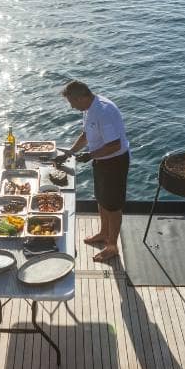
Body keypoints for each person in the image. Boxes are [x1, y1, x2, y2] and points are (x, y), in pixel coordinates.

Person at [62, 80, 130, 262]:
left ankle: (112, 246)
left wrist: (90, 155)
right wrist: (70, 152)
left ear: (82, 97)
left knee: (113, 206)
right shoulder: (88, 109)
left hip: (114, 162)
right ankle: (103, 233)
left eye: (72, 102)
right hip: (101, 161)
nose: (72, 106)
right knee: (101, 199)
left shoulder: (104, 111)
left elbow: (114, 145)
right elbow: (86, 135)